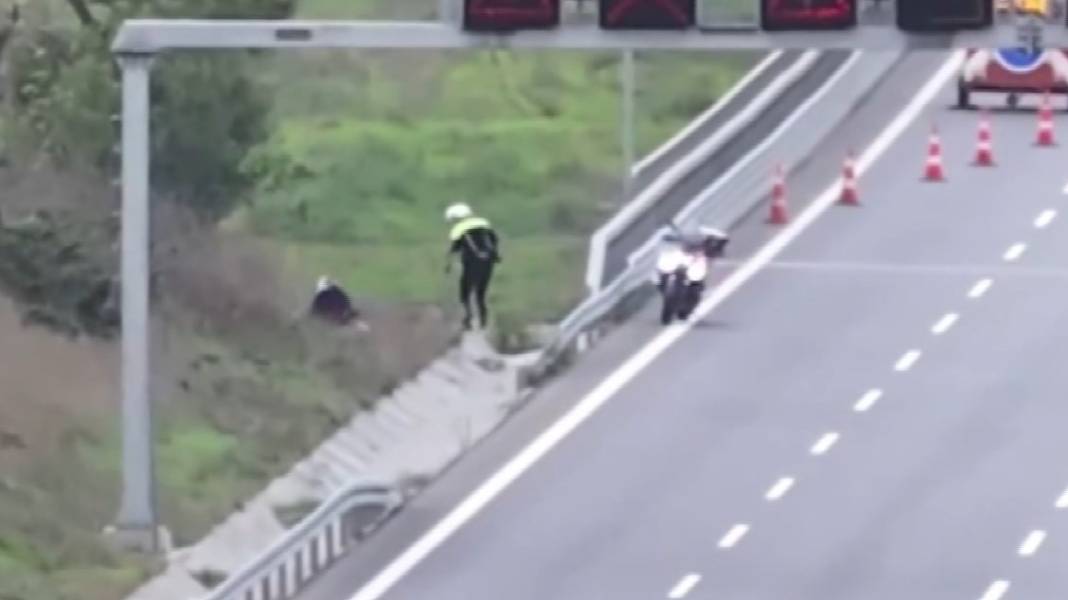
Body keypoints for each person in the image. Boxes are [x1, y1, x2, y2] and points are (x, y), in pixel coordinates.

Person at [444, 203, 500, 330]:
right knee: (481, 293)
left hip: (471, 264)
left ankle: (468, 320)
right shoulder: (484, 224)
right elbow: (495, 240)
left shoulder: (458, 229)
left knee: (465, 293)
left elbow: (453, 250)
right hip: (488, 263)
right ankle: (483, 321)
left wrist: (448, 265)